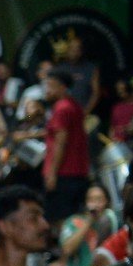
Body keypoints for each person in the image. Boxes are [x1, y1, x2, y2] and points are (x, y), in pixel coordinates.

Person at [41, 70, 92, 224]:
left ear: (63, 87)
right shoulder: (74, 105)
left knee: (59, 219)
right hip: (78, 172)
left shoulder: (61, 108)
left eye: (51, 86)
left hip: (64, 173)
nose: (47, 90)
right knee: (73, 217)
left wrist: (52, 173)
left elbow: (60, 142)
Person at [55, 181, 121, 266]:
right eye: (91, 199)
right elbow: (67, 249)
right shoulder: (74, 222)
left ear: (106, 202)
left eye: (99, 199)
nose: (95, 204)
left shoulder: (111, 223)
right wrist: (88, 222)